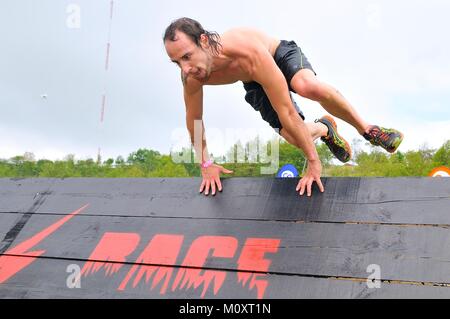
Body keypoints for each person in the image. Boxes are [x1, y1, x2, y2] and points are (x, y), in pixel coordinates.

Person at [163, 17, 403, 197]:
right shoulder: (192, 77)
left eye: (187, 56)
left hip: (278, 55)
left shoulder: (246, 52)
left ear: (203, 40)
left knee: (306, 86)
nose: (185, 68)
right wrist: (205, 164)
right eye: (176, 63)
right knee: (292, 135)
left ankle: (367, 130)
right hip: (253, 80)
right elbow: (194, 120)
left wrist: (313, 162)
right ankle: (324, 129)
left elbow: (286, 110)